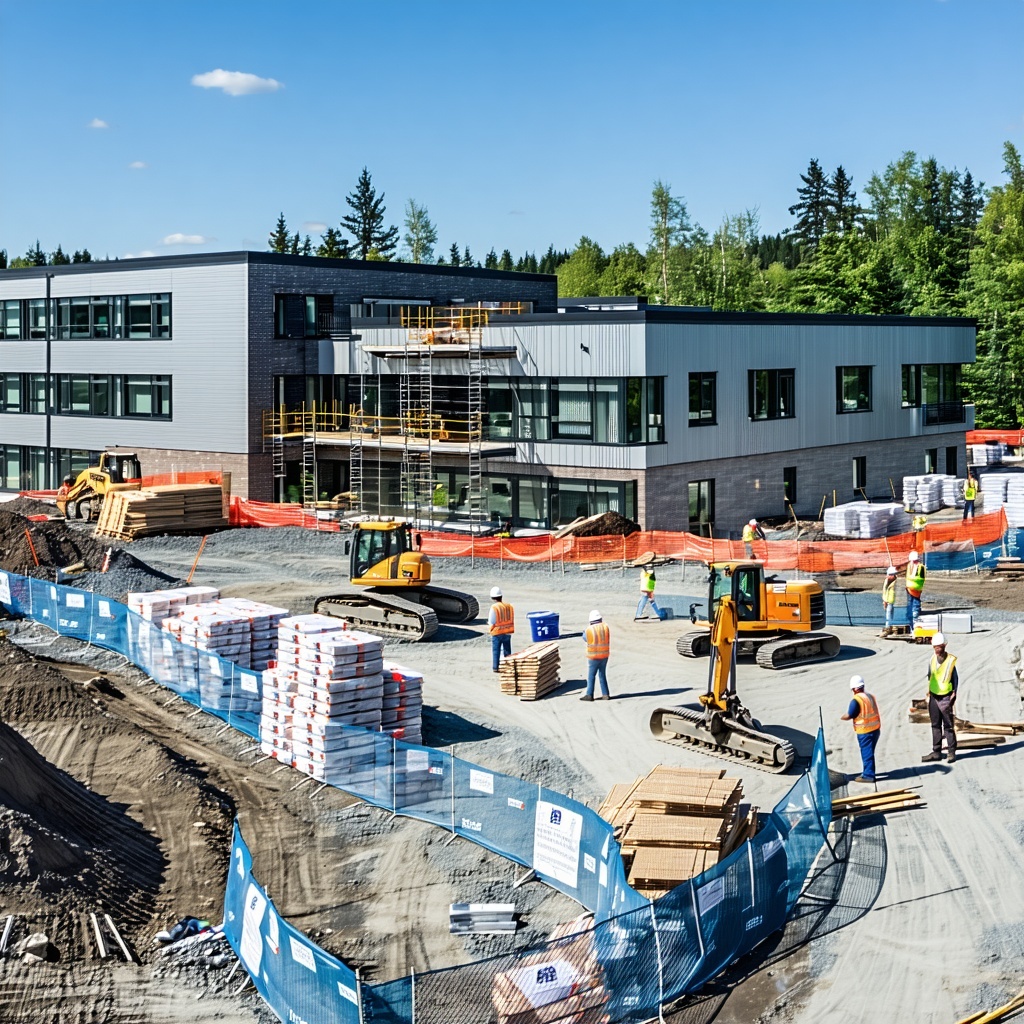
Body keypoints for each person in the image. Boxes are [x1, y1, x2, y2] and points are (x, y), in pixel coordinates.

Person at [922, 632, 958, 764]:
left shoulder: (950, 661)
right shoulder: (931, 659)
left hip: (945, 697)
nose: (937, 649)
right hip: (933, 696)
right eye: (935, 647)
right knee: (935, 725)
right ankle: (936, 751)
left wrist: (955, 692)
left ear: (944, 646)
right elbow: (930, 676)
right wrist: (929, 692)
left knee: (948, 725)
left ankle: (951, 752)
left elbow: (955, 678)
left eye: (939, 647)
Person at [841, 675, 881, 783]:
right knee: (870, 752)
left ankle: (868, 775)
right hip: (875, 729)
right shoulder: (870, 696)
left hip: (865, 731)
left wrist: (842, 717)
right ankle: (868, 771)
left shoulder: (856, 700)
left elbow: (850, 714)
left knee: (867, 753)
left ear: (854, 689)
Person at [580, 609, 610, 701]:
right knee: (602, 674)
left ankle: (589, 695)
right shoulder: (605, 627)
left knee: (591, 676)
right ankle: (605, 694)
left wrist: (583, 633)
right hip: (604, 655)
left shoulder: (589, 629)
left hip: (593, 656)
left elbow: (585, 638)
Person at [488, 586, 514, 673]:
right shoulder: (508, 606)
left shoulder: (494, 607)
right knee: (507, 650)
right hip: (507, 631)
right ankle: (508, 666)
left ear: (493, 597)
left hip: (497, 632)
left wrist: (490, 628)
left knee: (496, 650)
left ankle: (496, 667)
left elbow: (492, 621)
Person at [905, 551, 926, 631]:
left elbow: (920, 578)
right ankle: (913, 614)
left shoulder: (920, 567)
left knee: (915, 601)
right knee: (912, 601)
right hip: (911, 588)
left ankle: (915, 614)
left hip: (915, 588)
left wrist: (911, 580)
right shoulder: (910, 566)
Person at [880, 565, 898, 637]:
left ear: (893, 575)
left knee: (893, 616)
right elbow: (884, 591)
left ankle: (892, 629)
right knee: (888, 616)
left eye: (889, 575)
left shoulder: (897, 583)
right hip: (888, 601)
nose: (887, 576)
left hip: (894, 602)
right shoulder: (886, 581)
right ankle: (889, 628)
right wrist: (884, 601)